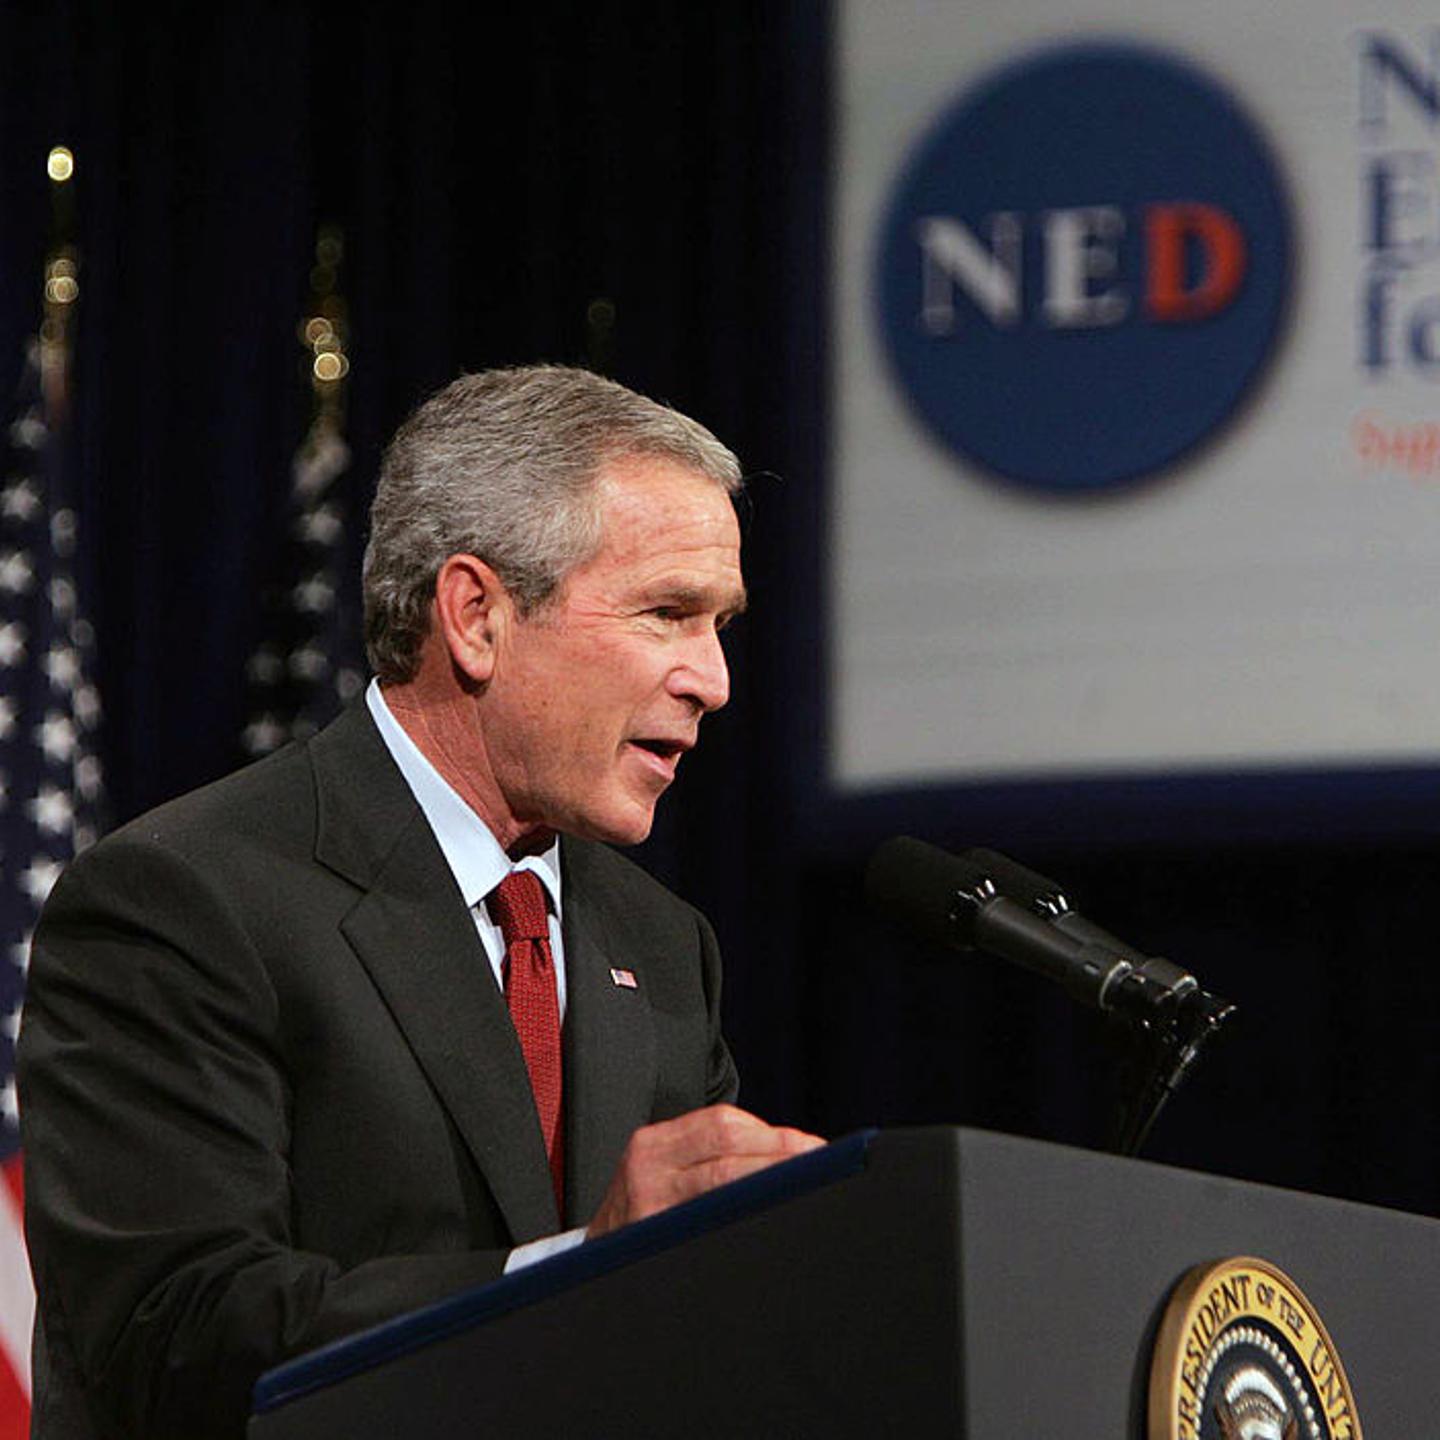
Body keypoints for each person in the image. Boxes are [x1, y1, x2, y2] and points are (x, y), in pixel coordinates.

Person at [17, 366, 822, 1440]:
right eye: (668, 613)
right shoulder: (184, 898)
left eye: (720, 623)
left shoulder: (660, 945)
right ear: (476, 615)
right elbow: (173, 1334)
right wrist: (576, 1272)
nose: (713, 679)